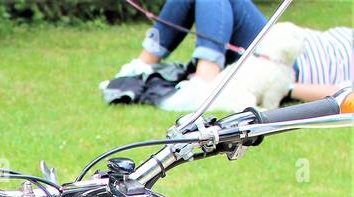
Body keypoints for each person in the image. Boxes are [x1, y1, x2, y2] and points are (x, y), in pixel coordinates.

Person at [115, 1, 351, 110]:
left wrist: (286, 88)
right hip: (280, 36)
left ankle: (204, 85)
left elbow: (346, 96)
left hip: (285, 61)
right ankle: (138, 69)